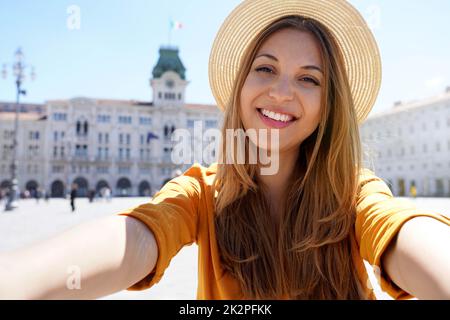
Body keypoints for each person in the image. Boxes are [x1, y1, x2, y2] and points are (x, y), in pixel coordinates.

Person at [0, 0, 449, 300]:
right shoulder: (200, 194)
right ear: (240, 88)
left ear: (327, 107)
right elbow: (140, 236)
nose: (281, 91)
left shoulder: (354, 195)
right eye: (265, 68)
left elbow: (402, 231)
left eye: (309, 78)